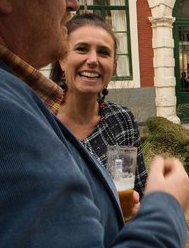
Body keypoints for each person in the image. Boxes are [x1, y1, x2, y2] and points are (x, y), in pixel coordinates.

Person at [0, 0, 189, 248]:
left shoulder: (120, 120)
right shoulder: (10, 115)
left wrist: (138, 207)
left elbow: (133, 185)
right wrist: (166, 207)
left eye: (105, 52)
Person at [50, 13, 147, 197]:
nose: (93, 60)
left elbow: (141, 191)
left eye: (103, 52)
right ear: (62, 59)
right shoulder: (40, 120)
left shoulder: (122, 120)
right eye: (82, 49)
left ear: (114, 65)